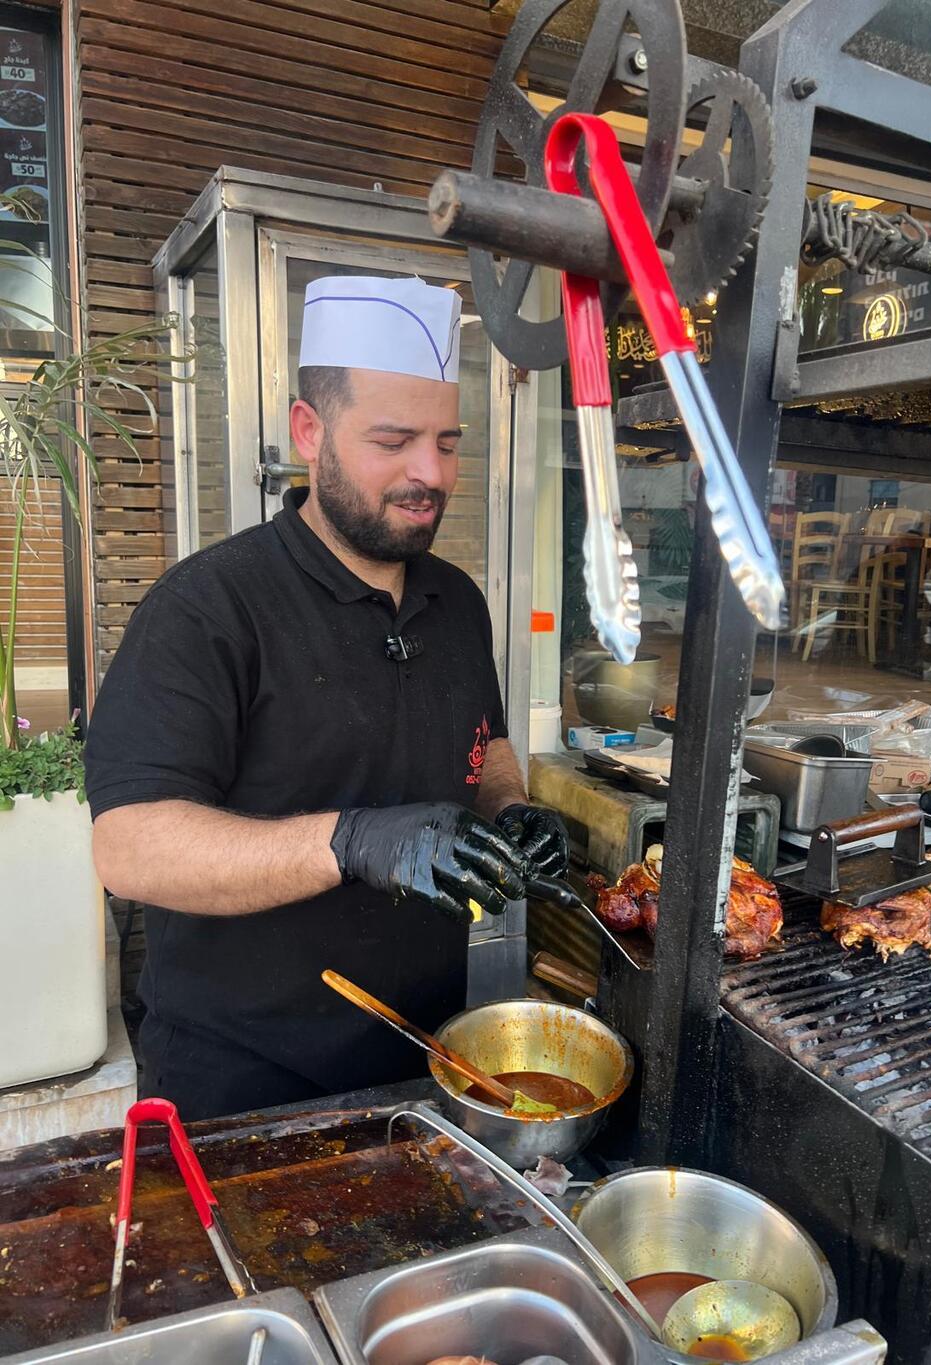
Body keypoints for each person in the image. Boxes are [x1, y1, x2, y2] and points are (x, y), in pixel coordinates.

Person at [85, 275, 572, 1121]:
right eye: (395, 440)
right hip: (243, 1085)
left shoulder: (456, 600)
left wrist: (509, 810)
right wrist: (352, 840)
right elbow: (129, 846)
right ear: (308, 432)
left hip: (430, 1061)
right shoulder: (209, 606)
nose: (431, 473)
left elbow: (483, 741)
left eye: (448, 442)